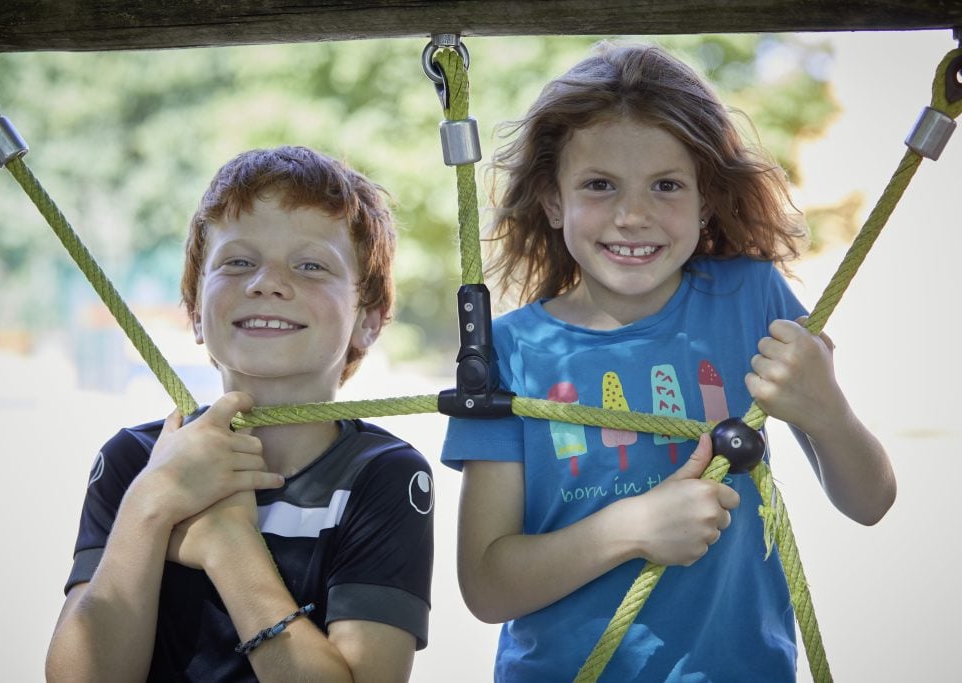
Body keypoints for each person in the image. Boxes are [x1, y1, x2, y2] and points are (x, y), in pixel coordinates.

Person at [440, 43, 896, 681]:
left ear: (706, 199)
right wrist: (629, 528)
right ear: (551, 200)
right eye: (600, 185)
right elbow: (487, 586)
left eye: (667, 185)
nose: (632, 215)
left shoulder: (752, 300)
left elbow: (870, 500)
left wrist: (828, 412)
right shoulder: (508, 351)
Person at [46, 146, 435, 682]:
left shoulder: (383, 475)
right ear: (195, 310)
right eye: (238, 262)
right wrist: (151, 504)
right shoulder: (136, 460)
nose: (266, 282)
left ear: (367, 320)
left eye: (310, 265)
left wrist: (229, 545)